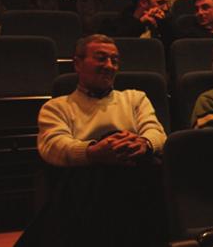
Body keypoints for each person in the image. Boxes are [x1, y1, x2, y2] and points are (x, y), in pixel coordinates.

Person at [31, 34, 167, 246]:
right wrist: (93, 152)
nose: (109, 66)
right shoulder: (58, 107)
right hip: (85, 191)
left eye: (114, 60)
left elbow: (156, 132)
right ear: (77, 63)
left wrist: (143, 144)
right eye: (101, 58)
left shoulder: (134, 98)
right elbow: (53, 146)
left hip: (136, 180)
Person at [101, 0, 173, 41]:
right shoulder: (115, 23)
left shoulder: (166, 20)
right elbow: (120, 42)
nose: (166, 8)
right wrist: (140, 23)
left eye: (166, 3)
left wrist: (162, 24)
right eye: (160, 3)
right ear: (143, 2)